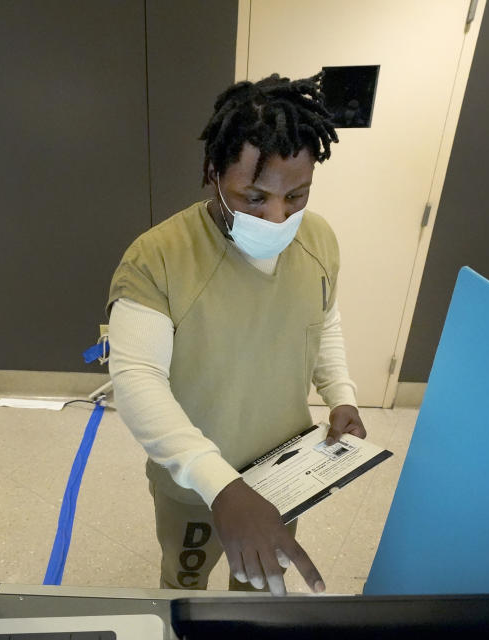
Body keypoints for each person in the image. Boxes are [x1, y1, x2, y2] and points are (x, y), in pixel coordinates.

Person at [106, 73, 365, 596]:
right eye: (253, 197)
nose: (276, 217)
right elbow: (138, 382)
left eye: (296, 196)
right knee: (185, 585)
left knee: (259, 593)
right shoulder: (158, 258)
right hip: (195, 486)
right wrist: (219, 485)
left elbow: (323, 320)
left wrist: (341, 395)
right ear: (212, 173)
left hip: (282, 472)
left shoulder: (318, 241)